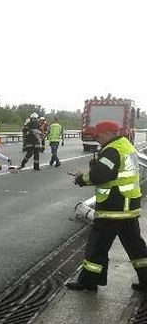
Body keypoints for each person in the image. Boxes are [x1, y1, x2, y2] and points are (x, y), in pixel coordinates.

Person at [66, 120, 147, 291]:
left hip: (113, 207)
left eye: (99, 135)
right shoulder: (126, 146)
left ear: (109, 133)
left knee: (97, 245)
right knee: (136, 247)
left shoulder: (112, 150)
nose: (97, 139)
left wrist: (81, 179)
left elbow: (101, 175)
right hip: (129, 206)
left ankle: (88, 281)